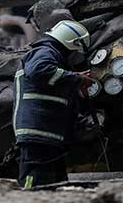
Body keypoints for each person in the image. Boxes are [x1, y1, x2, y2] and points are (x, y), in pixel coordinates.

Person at [13, 20, 94, 188]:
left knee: (56, 185)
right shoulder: (45, 51)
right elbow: (39, 71)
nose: (75, 58)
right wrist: (77, 78)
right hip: (38, 132)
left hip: (48, 134)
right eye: (75, 53)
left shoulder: (53, 56)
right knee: (34, 184)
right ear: (71, 44)